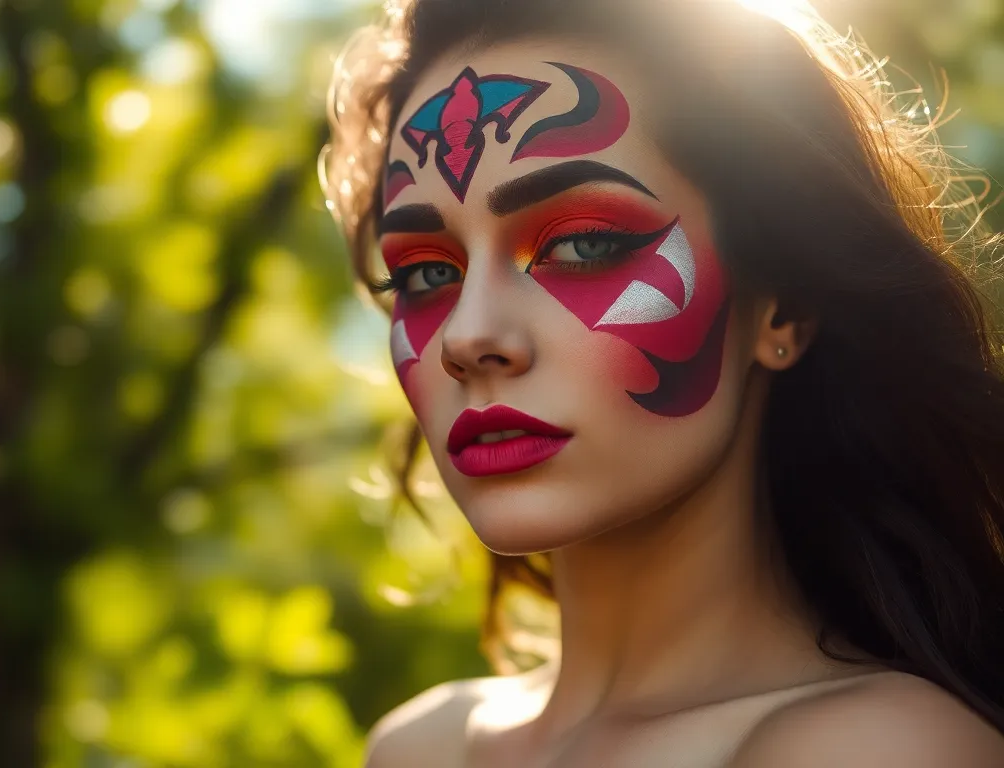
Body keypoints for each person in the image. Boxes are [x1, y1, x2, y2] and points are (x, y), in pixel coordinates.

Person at [321, 0, 1004, 765]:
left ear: (784, 305)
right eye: (427, 272)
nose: (468, 336)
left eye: (582, 245)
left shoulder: (883, 749)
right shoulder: (415, 749)